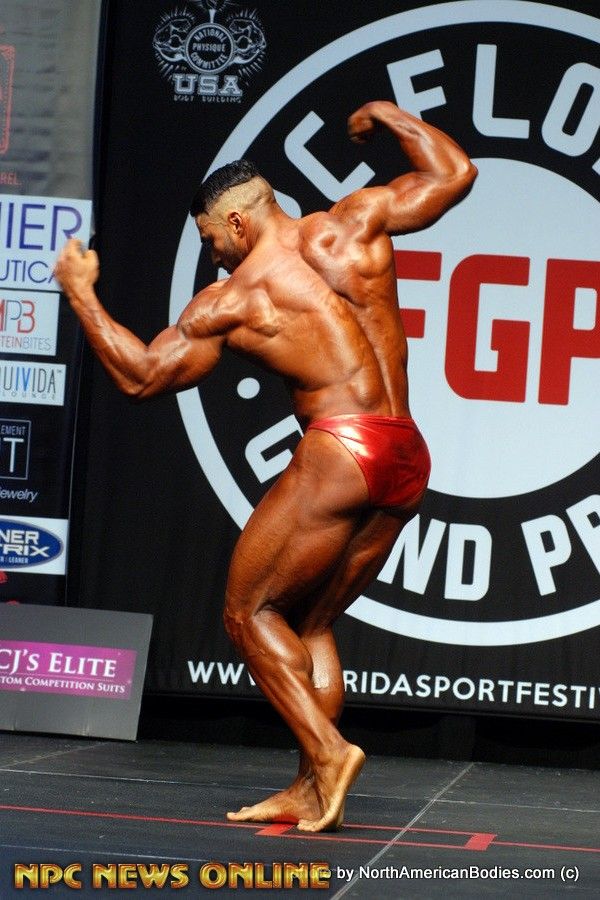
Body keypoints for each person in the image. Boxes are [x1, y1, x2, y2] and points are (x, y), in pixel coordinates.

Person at [55, 100, 476, 833]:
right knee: (310, 620)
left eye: (211, 239)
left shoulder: (236, 298)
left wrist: (81, 294)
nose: (213, 254)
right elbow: (455, 173)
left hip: (341, 450)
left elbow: (142, 376)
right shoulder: (354, 223)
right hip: (406, 453)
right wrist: (387, 114)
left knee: (248, 614)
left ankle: (330, 753)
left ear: (238, 223)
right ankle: (312, 788)